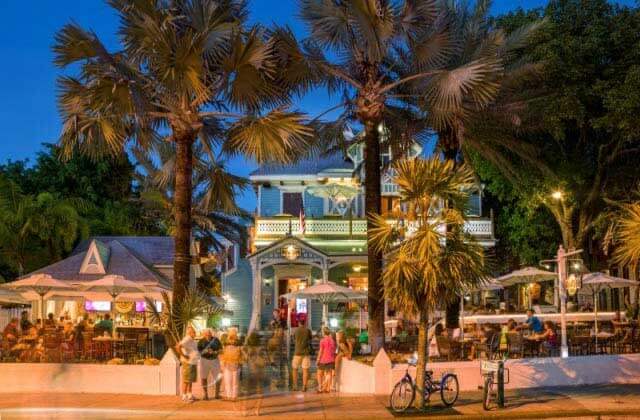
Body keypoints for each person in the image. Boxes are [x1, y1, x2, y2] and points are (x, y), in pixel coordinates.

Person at [176, 325, 200, 402]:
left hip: (192, 362)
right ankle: (184, 396)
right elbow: (178, 346)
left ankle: (189, 394)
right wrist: (184, 355)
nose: (195, 333)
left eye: (194, 332)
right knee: (186, 380)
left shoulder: (192, 340)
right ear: (190, 333)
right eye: (193, 332)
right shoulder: (187, 338)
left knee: (190, 380)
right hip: (187, 362)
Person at [197, 328, 222, 400]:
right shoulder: (201, 341)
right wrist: (205, 351)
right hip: (204, 360)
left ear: (211, 334)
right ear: (204, 334)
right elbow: (199, 352)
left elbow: (221, 350)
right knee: (203, 377)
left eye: (209, 333)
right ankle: (205, 394)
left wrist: (215, 352)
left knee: (218, 377)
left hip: (214, 360)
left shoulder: (216, 340)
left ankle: (217, 394)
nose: (208, 335)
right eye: (206, 334)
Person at [219, 327, 242, 401]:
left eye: (233, 333)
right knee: (227, 381)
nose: (232, 335)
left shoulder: (239, 344)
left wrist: (240, 363)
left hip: (236, 364)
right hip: (227, 364)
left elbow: (242, 355)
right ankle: (229, 395)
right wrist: (222, 363)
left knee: (235, 382)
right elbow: (222, 354)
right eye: (230, 333)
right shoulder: (225, 344)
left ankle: (234, 396)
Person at [291, 318, 312, 392]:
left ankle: (295, 386)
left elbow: (293, 339)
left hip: (297, 353)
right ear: (305, 323)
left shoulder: (296, 331)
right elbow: (310, 340)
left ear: (299, 323)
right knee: (305, 370)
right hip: (306, 353)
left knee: (294, 369)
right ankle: (304, 386)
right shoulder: (308, 331)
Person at [316, 327, 336, 393]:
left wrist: (318, 359)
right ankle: (328, 388)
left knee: (319, 373)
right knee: (329, 374)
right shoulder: (332, 341)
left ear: (323, 332)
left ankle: (320, 387)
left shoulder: (322, 340)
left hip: (323, 359)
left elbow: (321, 351)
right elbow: (333, 350)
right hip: (331, 359)